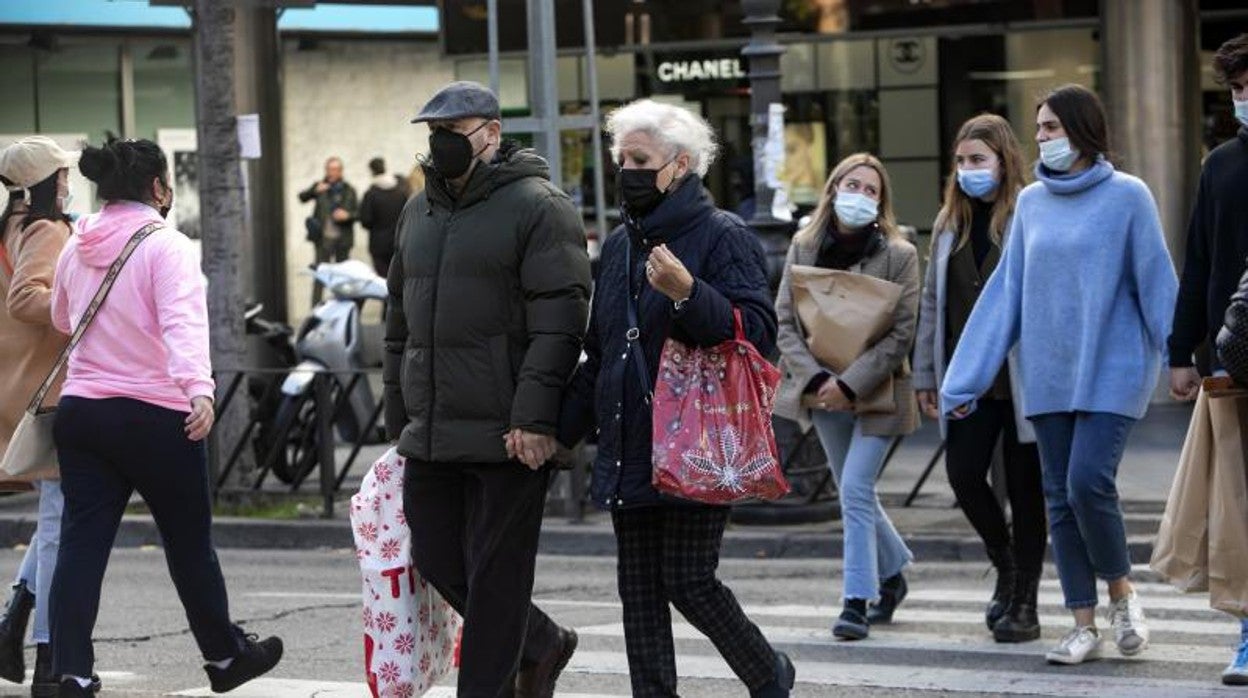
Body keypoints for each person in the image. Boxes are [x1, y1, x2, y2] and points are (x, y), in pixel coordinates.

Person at [558, 98, 795, 698]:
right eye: (621, 158)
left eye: (641, 158)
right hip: (629, 438)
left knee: (689, 579)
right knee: (637, 591)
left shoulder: (724, 236)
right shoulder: (618, 246)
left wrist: (690, 294)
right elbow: (601, 349)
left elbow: (757, 335)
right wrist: (551, 429)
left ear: (680, 166)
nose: (626, 170)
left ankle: (768, 674)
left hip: (694, 437)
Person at [941, 84, 1178, 666]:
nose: (1040, 138)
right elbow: (1005, 297)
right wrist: (963, 380)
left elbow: (1156, 281)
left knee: (1086, 483)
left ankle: (1121, 593)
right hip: (1046, 375)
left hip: (1112, 368)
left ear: (1082, 130)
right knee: (1059, 499)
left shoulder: (1129, 196)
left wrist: (1181, 357)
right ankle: (1082, 622)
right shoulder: (1033, 206)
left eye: (1050, 128)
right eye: (1039, 128)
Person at [49, 138, 283, 697]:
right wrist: (198, 391)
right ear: (158, 188)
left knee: (81, 544)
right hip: (157, 415)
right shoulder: (167, 245)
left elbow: (62, 317)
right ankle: (225, 658)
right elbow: (182, 324)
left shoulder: (76, 244)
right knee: (187, 544)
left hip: (83, 412)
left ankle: (72, 673)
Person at [385, 81, 588, 698]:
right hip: (433, 428)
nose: (440, 145)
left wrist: (535, 419)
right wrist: (401, 415)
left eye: (455, 132)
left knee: (497, 580)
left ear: (492, 134)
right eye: (433, 134)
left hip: (509, 431)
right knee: (440, 560)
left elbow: (560, 319)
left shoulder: (539, 206)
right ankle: (541, 641)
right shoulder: (417, 210)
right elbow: (399, 318)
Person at [913, 114, 1047, 643]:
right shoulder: (950, 225)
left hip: (1024, 381)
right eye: (962, 161)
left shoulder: (1029, 216)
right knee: (964, 475)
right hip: (968, 380)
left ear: (1003, 161)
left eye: (979, 160)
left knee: (1026, 489)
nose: (969, 170)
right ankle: (1006, 563)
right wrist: (926, 372)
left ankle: (1026, 602)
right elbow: (932, 304)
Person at [775, 152, 919, 642]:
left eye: (871, 190)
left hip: (878, 392)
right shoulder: (804, 246)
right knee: (853, 491)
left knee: (855, 489)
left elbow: (900, 334)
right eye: (851, 185)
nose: (859, 195)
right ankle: (894, 573)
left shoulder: (900, 254)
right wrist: (817, 382)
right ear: (832, 189)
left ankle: (858, 600)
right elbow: (785, 322)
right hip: (822, 391)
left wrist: (849, 383)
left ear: (882, 202)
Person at [1165, 33, 1248, 685]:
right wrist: (1183, 352)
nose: (1245, 99)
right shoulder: (1221, 165)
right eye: (1238, 89)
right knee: (1238, 507)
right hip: (1232, 358)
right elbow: (1198, 262)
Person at [0, 137, 79, 698]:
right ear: (46, 181)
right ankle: (50, 655)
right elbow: (27, 297)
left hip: (18, 390)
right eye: (63, 174)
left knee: (60, 513)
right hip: (47, 394)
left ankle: (13, 619)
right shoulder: (46, 230)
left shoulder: (10, 227)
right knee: (58, 521)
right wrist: (87, 308)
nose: (69, 182)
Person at [299, 157, 357, 302]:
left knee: (342, 277)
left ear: (341, 171)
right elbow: (302, 197)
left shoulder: (349, 190)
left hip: (343, 240)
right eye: (329, 169)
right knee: (319, 276)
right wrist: (314, 190)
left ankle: (342, 309)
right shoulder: (320, 186)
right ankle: (316, 311)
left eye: (335, 169)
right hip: (322, 240)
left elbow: (359, 213)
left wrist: (348, 215)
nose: (331, 172)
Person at [357, 157, 407, 277]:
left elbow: (365, 221)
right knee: (398, 279)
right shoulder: (401, 191)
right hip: (399, 241)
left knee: (383, 281)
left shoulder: (371, 194)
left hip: (379, 246)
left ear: (371, 171)